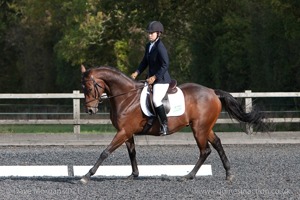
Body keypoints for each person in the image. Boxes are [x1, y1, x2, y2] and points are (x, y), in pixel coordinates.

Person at [131, 21, 171, 135]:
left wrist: (155, 77)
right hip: (151, 80)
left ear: (158, 33)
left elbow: (165, 64)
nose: (149, 35)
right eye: (148, 33)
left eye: (151, 33)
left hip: (162, 80)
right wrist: (137, 72)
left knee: (156, 100)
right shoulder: (149, 45)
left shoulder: (160, 47)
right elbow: (144, 62)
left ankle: (164, 125)